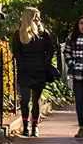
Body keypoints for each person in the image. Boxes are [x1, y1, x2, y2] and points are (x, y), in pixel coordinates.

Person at [11, 7, 57, 137]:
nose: (38, 19)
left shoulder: (43, 33)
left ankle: (35, 126)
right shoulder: (18, 34)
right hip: (25, 71)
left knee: (36, 100)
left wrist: (45, 63)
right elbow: (17, 53)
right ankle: (25, 125)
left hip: (39, 70)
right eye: (35, 16)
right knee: (24, 100)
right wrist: (22, 65)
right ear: (28, 17)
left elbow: (50, 50)